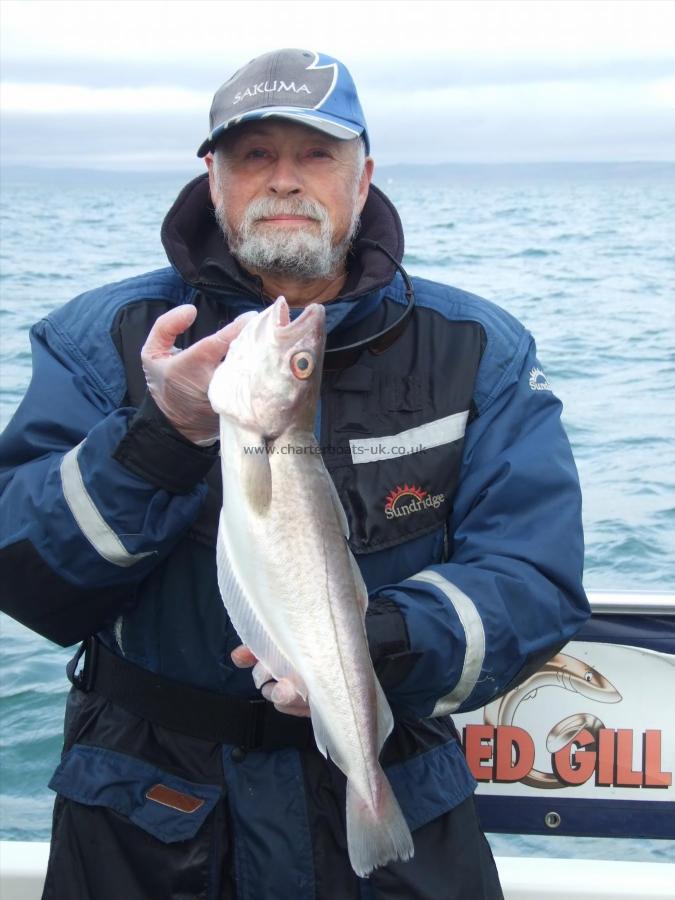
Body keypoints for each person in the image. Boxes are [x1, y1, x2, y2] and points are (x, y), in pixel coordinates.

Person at [0, 48, 590, 900]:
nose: (285, 180)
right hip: (148, 817)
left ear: (363, 176)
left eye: (317, 155)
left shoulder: (478, 350)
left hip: (398, 790)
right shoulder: (105, 339)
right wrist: (161, 435)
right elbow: (28, 579)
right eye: (254, 157)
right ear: (213, 180)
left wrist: (375, 644)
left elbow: (533, 580)